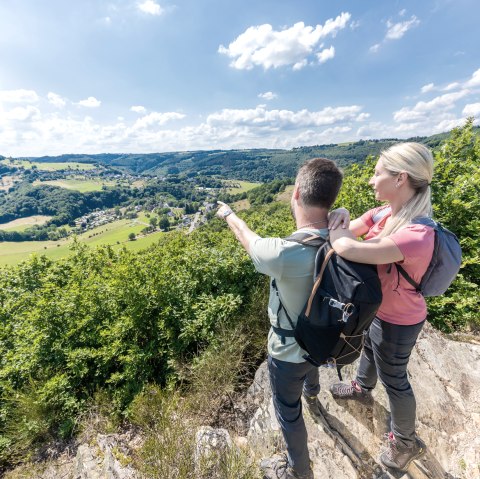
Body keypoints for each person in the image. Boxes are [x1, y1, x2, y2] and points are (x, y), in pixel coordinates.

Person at [216, 158, 343, 479]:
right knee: (312, 356)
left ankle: (299, 470)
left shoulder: (283, 253)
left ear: (297, 192)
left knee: (288, 413)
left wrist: (229, 214)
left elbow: (248, 239)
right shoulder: (345, 238)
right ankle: (313, 392)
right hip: (325, 338)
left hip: (287, 351)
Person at [327, 142, 434, 472]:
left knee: (396, 379)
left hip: (399, 320)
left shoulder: (415, 233)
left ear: (401, 178)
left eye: (377, 174)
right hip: (380, 311)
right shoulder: (386, 213)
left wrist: (340, 222)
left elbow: (346, 245)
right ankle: (361, 388)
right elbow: (351, 226)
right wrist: (343, 216)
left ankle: (405, 442)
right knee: (370, 350)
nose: (371, 181)